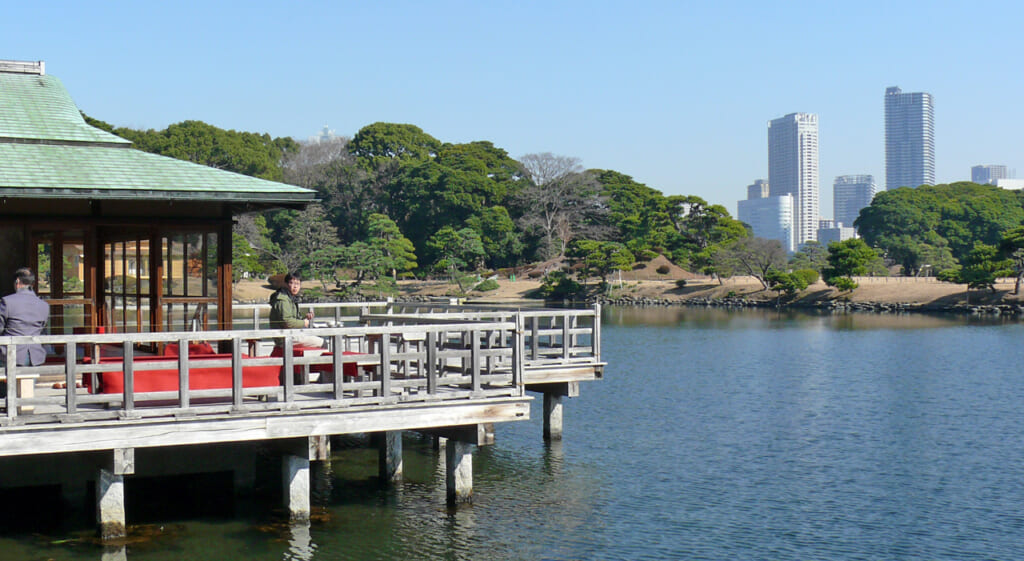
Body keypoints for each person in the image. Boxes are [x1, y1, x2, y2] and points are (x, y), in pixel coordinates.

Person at [0, 268, 49, 397]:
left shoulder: (7, 302)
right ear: (33, 283)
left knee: (7, 394)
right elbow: (42, 328)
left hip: (10, 353)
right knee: (26, 395)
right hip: (34, 354)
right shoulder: (44, 305)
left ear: (17, 281)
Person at [269, 272, 324, 349]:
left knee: (316, 338)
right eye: (291, 283)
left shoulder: (290, 298)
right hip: (285, 337)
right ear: (285, 284)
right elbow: (287, 322)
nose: (295, 286)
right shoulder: (283, 300)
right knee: (322, 342)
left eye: (297, 284)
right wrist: (303, 323)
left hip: (290, 334)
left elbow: (291, 319)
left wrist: (305, 318)